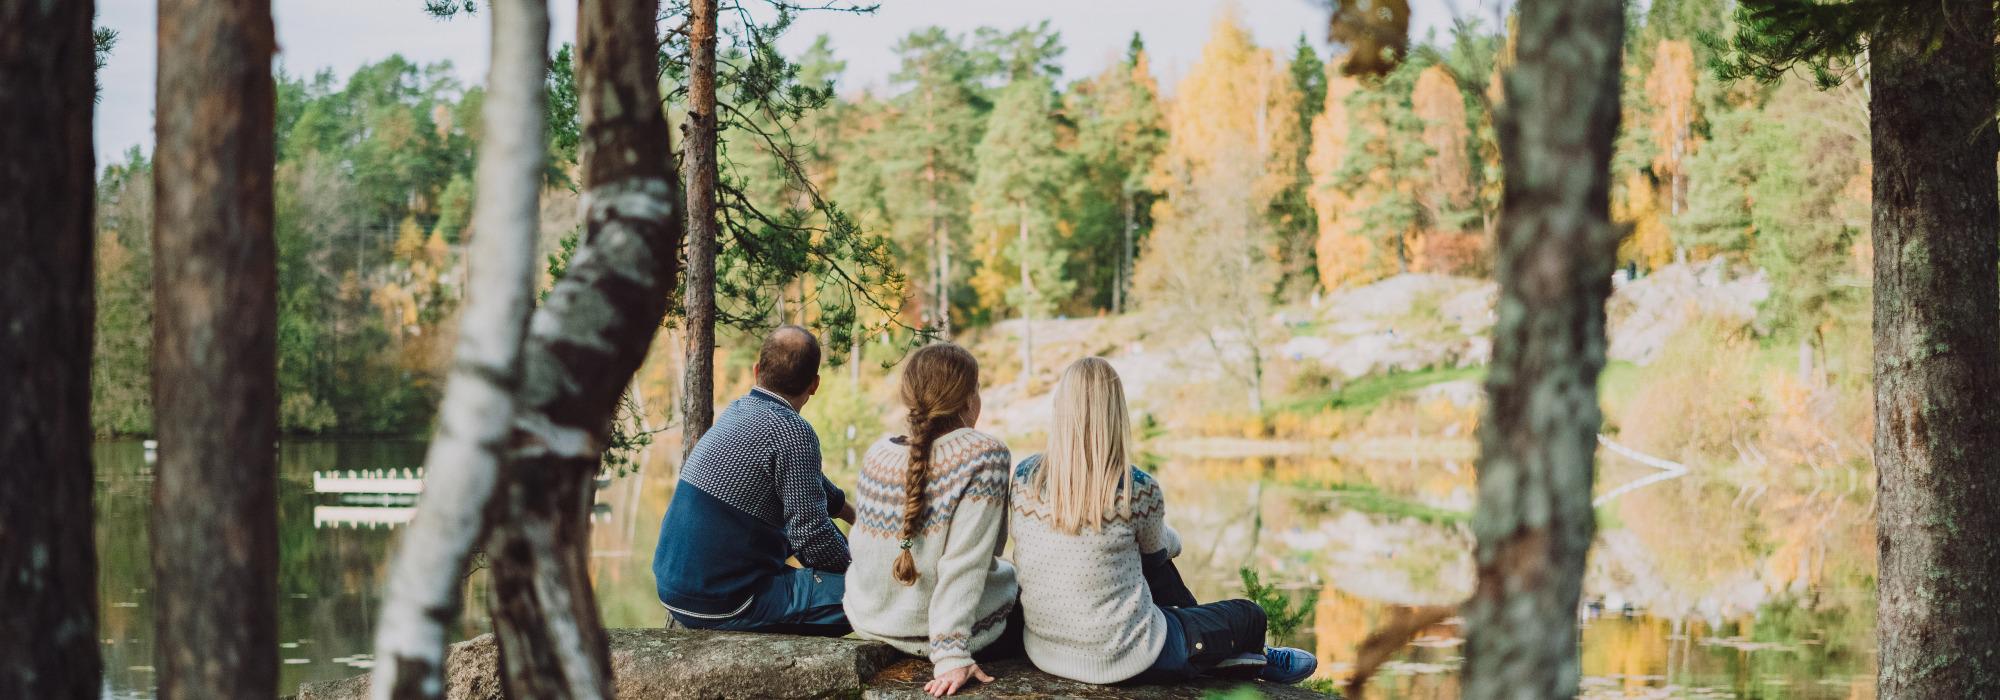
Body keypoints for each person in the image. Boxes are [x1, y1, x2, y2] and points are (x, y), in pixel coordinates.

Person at [1010, 357, 1318, 686]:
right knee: (1250, 615)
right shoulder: (1137, 488)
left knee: (1144, 566)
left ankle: (1206, 641)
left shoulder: (1026, 476)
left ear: (1059, 409)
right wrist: (1173, 540)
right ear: (1116, 413)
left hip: (1046, 649)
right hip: (1123, 656)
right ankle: (1249, 657)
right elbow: (1158, 551)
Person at [652, 325, 856, 635]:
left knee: (798, 530)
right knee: (867, 599)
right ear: (814, 385)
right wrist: (861, 569)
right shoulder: (793, 432)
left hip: (674, 588)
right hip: (724, 599)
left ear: (757, 370)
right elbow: (811, 536)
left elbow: (808, 483)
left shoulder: (738, 411)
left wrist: (854, 516)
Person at [844, 343, 1022, 697]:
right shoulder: (984, 455)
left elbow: (865, 550)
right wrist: (951, 654)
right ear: (969, 399)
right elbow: (966, 563)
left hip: (873, 620)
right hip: (937, 633)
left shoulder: (878, 453)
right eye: (978, 388)